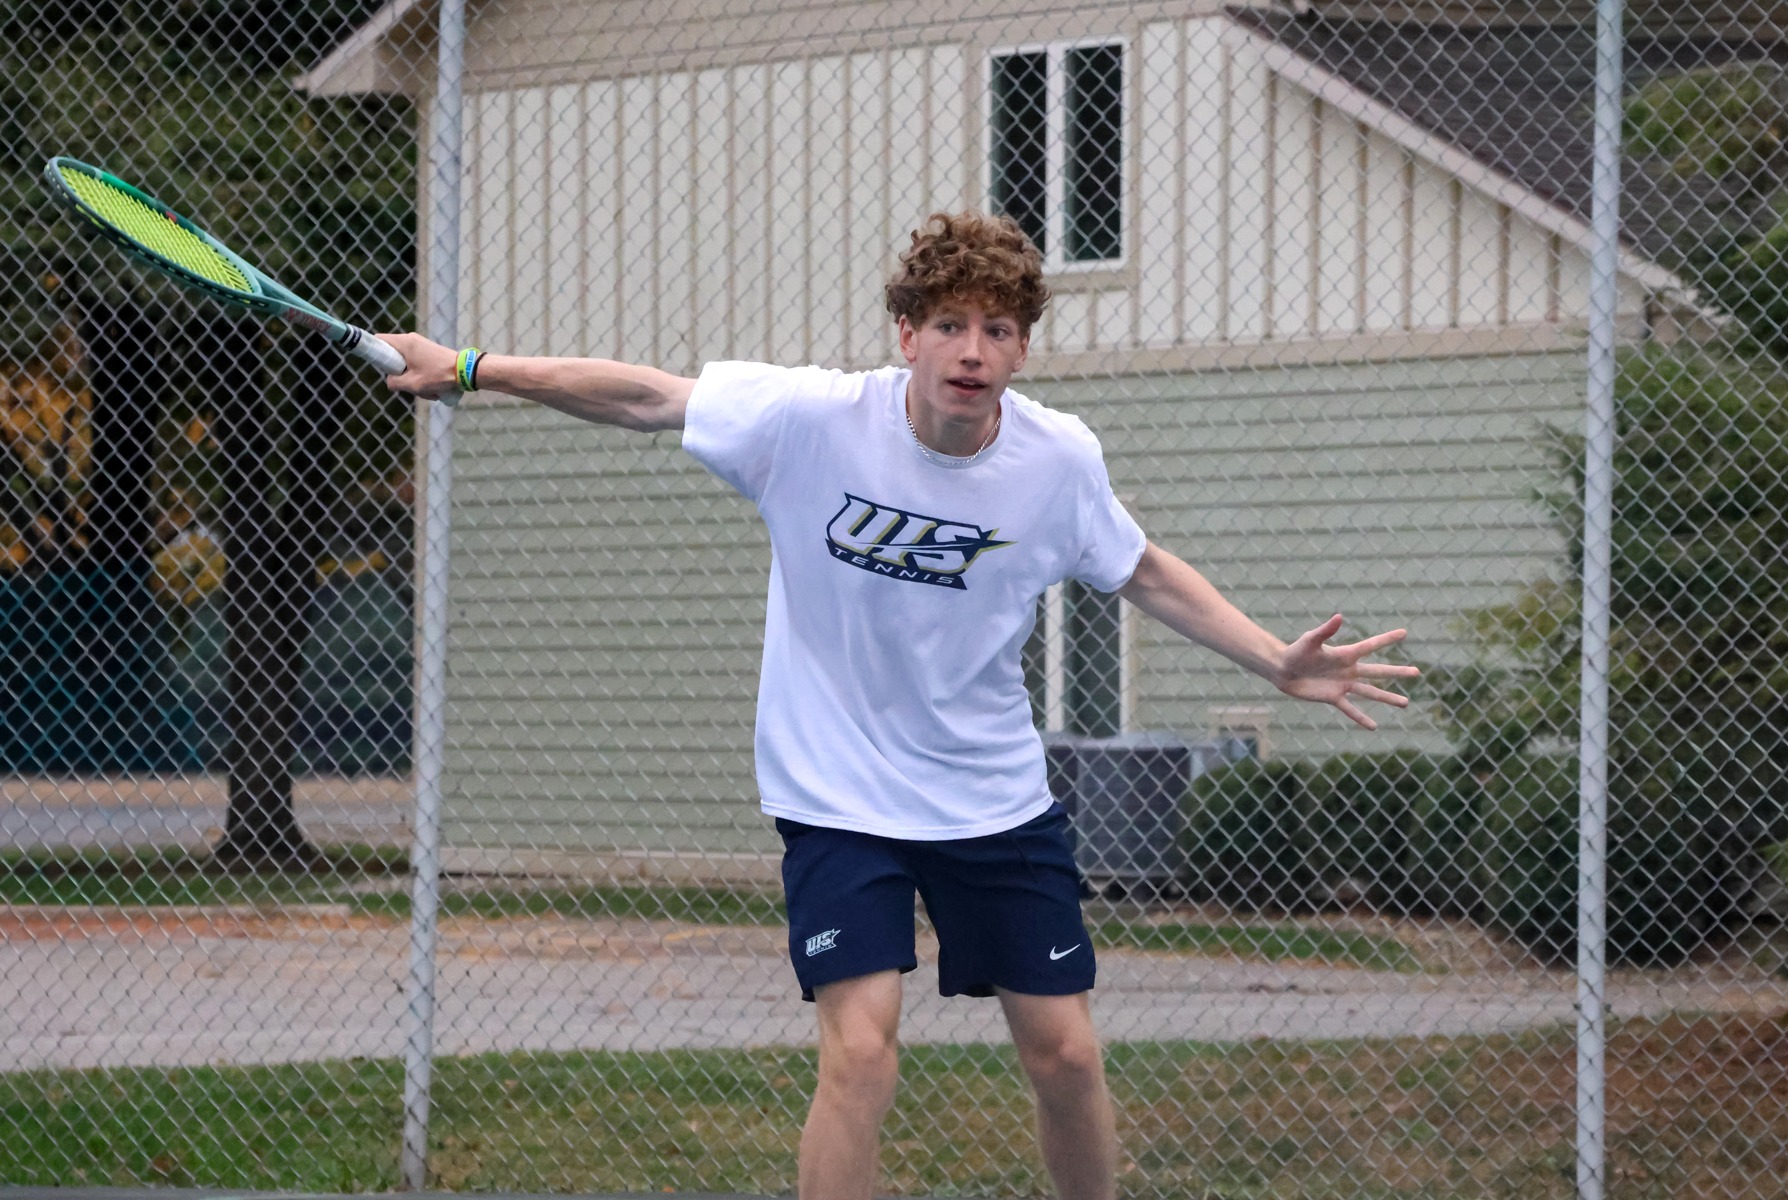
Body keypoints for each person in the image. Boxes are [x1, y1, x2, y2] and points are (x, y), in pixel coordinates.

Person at [379, 211, 1418, 1200]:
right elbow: (649, 397)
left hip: (991, 798)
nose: (973, 349)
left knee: (1065, 1054)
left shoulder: (1057, 462)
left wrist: (1275, 661)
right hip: (837, 794)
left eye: (998, 329)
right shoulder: (812, 421)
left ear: (1022, 350)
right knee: (863, 1051)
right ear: (908, 335)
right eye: (951, 324)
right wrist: (470, 368)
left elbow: (1139, 567)